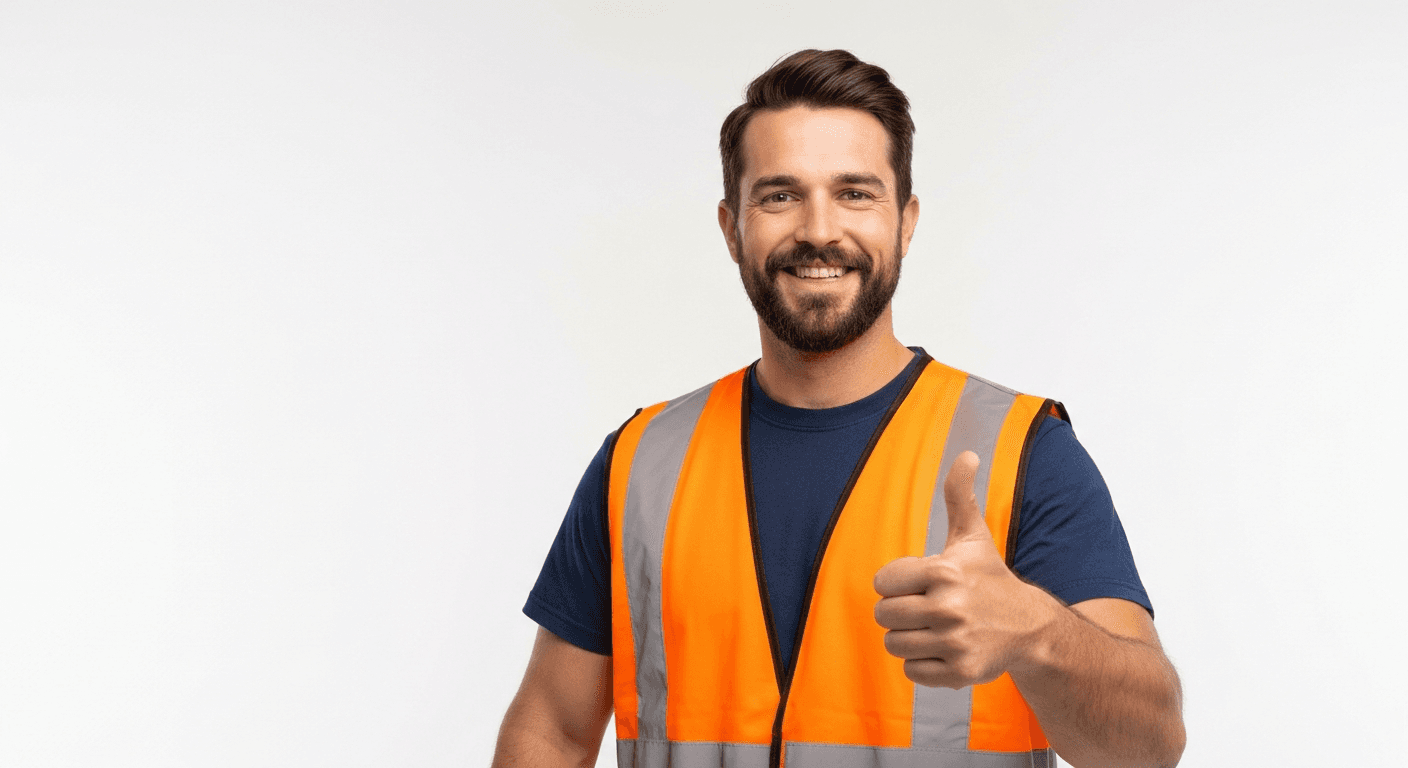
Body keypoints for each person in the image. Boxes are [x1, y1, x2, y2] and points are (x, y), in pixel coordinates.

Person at [493, 50, 1185, 768]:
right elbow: (552, 730)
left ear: (906, 222)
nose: (819, 229)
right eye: (779, 195)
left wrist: (1037, 633)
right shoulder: (640, 462)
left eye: (855, 193)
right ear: (732, 228)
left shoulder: (1023, 453)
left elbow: (1149, 747)